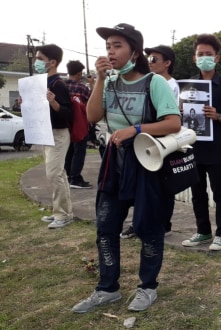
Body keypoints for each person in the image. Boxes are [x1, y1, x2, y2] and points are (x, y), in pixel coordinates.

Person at [72, 23, 181, 314]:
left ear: (134, 51)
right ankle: (107, 289)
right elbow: (93, 115)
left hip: (148, 164)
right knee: (106, 227)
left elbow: (173, 123)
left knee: (149, 227)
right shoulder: (108, 83)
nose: (111, 51)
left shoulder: (153, 82)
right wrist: (98, 79)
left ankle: (148, 288)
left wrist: (136, 129)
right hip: (115, 163)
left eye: (117, 45)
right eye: (108, 46)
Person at [180, 34, 221, 251]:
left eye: (209, 54)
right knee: (197, 192)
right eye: (200, 54)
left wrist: (217, 116)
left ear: (217, 58)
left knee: (219, 192)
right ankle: (203, 231)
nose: (204, 57)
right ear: (194, 57)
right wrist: (181, 112)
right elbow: (182, 117)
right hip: (193, 146)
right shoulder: (188, 85)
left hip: (215, 148)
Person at [121, 44, 179, 239]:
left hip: (160, 142)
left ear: (167, 63)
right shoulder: (151, 81)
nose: (149, 62)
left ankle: (161, 223)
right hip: (146, 142)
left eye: (154, 59)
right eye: (149, 58)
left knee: (162, 187)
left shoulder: (166, 84)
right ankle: (143, 222)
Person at [35, 44, 74, 229]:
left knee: (54, 173)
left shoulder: (58, 84)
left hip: (58, 133)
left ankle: (63, 215)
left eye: (40, 59)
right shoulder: (42, 82)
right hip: (46, 131)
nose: (36, 62)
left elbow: (67, 112)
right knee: (57, 173)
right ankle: (61, 211)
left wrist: (53, 102)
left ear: (52, 62)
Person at [64, 60, 93, 189]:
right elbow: (92, 102)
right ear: (80, 73)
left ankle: (69, 175)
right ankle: (75, 178)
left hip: (65, 123)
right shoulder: (82, 88)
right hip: (80, 124)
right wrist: (93, 84)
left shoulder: (62, 86)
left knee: (69, 151)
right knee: (79, 151)